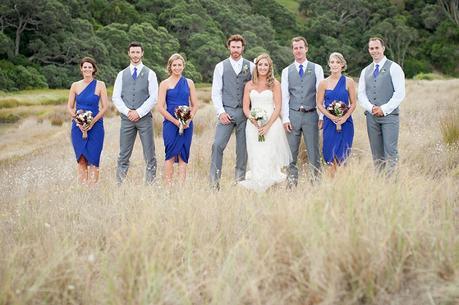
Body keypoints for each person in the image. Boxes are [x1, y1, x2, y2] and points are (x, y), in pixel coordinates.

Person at [239, 53, 292, 192]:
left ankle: (270, 186)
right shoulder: (249, 85)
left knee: (269, 154)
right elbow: (245, 107)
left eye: (266, 65)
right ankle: (258, 184)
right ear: (256, 66)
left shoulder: (275, 84)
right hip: (253, 126)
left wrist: (267, 126)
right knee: (256, 153)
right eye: (260, 64)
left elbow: (278, 106)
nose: (263, 67)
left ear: (270, 67)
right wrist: (254, 121)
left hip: (272, 125)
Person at [209, 34, 255, 189]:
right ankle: (214, 183)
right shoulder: (220, 66)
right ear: (229, 47)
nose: (236, 50)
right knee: (217, 145)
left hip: (244, 114)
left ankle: (239, 182)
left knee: (242, 150)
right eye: (233, 47)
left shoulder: (252, 66)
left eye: (238, 47)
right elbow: (216, 92)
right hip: (226, 112)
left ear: (243, 48)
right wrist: (220, 112)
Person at [112, 41, 158, 184]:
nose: (135, 55)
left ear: (142, 53)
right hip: (127, 120)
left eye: (138, 52)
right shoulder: (121, 74)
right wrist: (128, 112)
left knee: (149, 154)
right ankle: (119, 184)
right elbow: (116, 97)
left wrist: (139, 112)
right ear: (129, 53)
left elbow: (154, 97)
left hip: (144, 119)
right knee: (123, 154)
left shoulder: (150, 73)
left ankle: (149, 185)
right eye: (133, 52)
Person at [358, 37, 405, 174]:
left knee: (390, 151)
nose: (374, 51)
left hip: (389, 116)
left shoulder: (394, 67)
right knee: (376, 153)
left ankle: (391, 183)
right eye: (371, 48)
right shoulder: (365, 71)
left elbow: (399, 93)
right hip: (371, 117)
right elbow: (361, 94)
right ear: (369, 50)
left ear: (383, 48)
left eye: (377, 48)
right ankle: (380, 183)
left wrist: (383, 109)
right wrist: (371, 108)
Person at [281, 36, 324, 187]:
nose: (298, 51)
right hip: (293, 115)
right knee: (290, 153)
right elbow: (285, 96)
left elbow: (320, 93)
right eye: (295, 48)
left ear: (306, 48)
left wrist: (321, 115)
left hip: (311, 115)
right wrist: (285, 118)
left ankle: (316, 184)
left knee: (314, 153)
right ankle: (291, 184)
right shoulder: (286, 71)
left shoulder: (317, 68)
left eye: (300, 47)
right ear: (292, 50)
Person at [157, 54, 199, 184]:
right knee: (170, 153)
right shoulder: (164, 83)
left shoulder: (189, 82)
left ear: (183, 66)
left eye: (179, 65)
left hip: (187, 124)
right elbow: (160, 107)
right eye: (174, 65)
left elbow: (195, 104)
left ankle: (181, 188)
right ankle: (168, 186)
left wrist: (188, 121)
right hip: (170, 124)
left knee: (183, 154)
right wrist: (176, 122)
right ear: (170, 66)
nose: (177, 67)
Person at [67, 57, 108, 185]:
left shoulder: (100, 85)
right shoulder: (75, 85)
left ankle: (92, 189)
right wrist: (78, 121)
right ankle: (83, 188)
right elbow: (70, 106)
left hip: (95, 126)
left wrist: (92, 122)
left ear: (94, 69)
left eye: (90, 67)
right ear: (81, 69)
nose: (87, 69)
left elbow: (105, 107)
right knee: (81, 158)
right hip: (77, 127)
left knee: (94, 158)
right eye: (85, 67)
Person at [316, 52, 357, 176]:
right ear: (329, 64)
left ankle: (342, 182)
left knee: (343, 155)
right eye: (332, 62)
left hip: (346, 123)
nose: (334, 65)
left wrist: (344, 117)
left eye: (337, 62)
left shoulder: (349, 82)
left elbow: (353, 103)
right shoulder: (323, 83)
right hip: (329, 123)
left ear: (342, 65)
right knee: (329, 153)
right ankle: (330, 182)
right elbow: (319, 104)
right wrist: (332, 117)